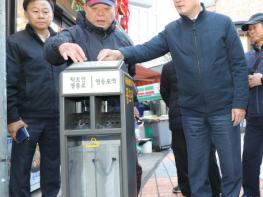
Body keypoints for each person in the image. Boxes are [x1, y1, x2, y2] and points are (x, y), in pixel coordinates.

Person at [97, 0, 249, 196]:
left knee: (231, 167)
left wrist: (239, 103)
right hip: (192, 114)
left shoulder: (223, 23)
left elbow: (239, 64)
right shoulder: (171, 31)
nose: (177, 1)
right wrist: (120, 53)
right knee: (196, 170)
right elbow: (146, 49)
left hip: (224, 109)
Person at [43, 0, 142, 194]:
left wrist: (135, 105)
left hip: (119, 114)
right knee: (85, 170)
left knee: (130, 168)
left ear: (115, 11)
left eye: (106, 9)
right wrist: (63, 47)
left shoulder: (124, 40)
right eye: (95, 9)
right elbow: (50, 47)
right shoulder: (73, 33)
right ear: (85, 10)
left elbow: (131, 77)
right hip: (81, 120)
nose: (100, 14)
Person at [6, 0, 66, 196]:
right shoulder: (16, 42)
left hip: (57, 117)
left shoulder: (62, 42)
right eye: (35, 11)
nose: (41, 15)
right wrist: (13, 118)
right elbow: (10, 82)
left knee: (52, 171)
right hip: (27, 118)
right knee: (20, 170)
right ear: (26, 13)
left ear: (51, 14)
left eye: (45, 11)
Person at [160, 61, 221, 197]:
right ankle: (215, 191)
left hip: (179, 120)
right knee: (208, 157)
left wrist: (175, 105)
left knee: (183, 161)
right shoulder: (200, 62)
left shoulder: (168, 67)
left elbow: (165, 93)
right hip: (201, 118)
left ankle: (189, 192)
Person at [241, 13, 263, 197]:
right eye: (248, 28)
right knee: (249, 160)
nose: (250, 31)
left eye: (254, 26)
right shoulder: (247, 57)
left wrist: (262, 79)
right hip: (254, 118)